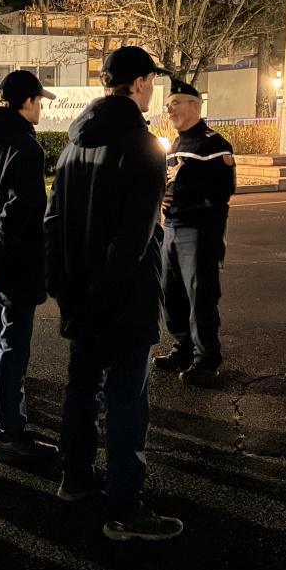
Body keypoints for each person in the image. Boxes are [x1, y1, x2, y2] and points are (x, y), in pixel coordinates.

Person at [45, 46, 184, 542]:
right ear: (141, 82)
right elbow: (135, 238)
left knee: (81, 387)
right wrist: (107, 293)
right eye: (153, 82)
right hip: (124, 298)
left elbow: (53, 223)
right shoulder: (143, 146)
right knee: (127, 399)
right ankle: (124, 507)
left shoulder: (71, 146)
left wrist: (66, 290)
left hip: (81, 294)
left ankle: (75, 477)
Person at [0, 71, 57, 466]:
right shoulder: (26, 148)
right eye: (39, 99)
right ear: (28, 102)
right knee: (11, 347)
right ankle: (9, 433)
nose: (41, 107)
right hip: (12, 268)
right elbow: (17, 213)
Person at [154, 79, 236, 387]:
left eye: (176, 102)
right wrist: (162, 194)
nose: (169, 108)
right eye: (168, 104)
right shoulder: (175, 144)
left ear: (195, 105)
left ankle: (207, 359)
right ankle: (182, 348)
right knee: (170, 292)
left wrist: (184, 197)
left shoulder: (213, 143)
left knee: (200, 295)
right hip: (173, 228)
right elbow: (171, 182)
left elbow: (224, 189)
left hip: (200, 231)